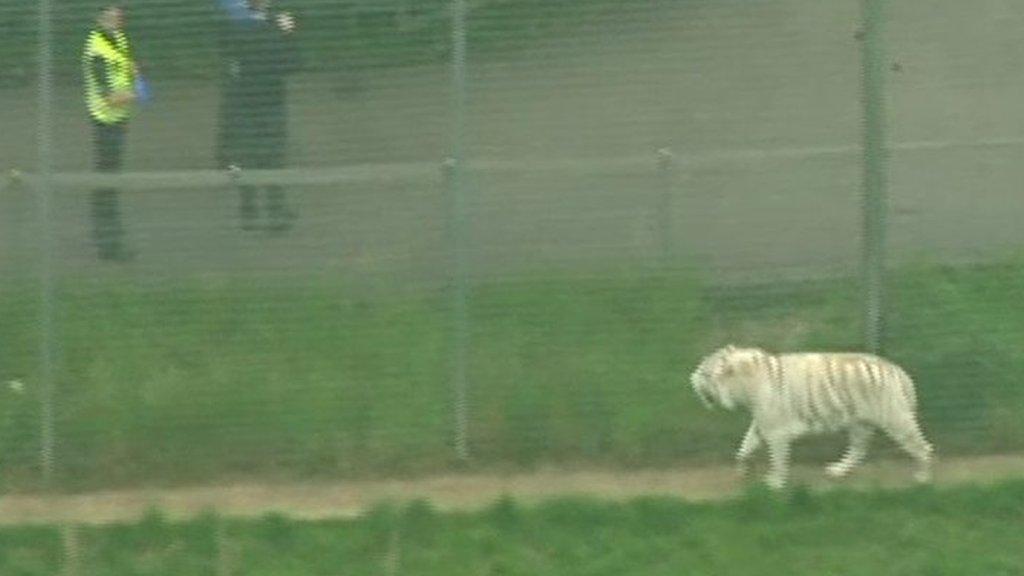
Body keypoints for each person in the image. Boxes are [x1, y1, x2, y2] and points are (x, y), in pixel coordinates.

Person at [217, 0, 300, 233]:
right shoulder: (236, 25)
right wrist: (279, 33)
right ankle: (250, 211)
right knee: (247, 156)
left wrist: (288, 35)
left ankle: (274, 213)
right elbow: (235, 53)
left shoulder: (276, 22)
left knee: (272, 156)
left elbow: (295, 62)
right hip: (245, 101)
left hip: (271, 100)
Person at [82, 4, 138, 261]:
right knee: (106, 184)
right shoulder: (96, 50)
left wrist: (132, 72)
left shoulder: (118, 37)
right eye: (110, 15)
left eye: (119, 14)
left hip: (119, 122)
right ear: (99, 17)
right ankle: (108, 245)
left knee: (111, 181)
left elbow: (125, 67)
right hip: (105, 124)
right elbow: (109, 97)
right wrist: (135, 95)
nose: (116, 19)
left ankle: (110, 238)